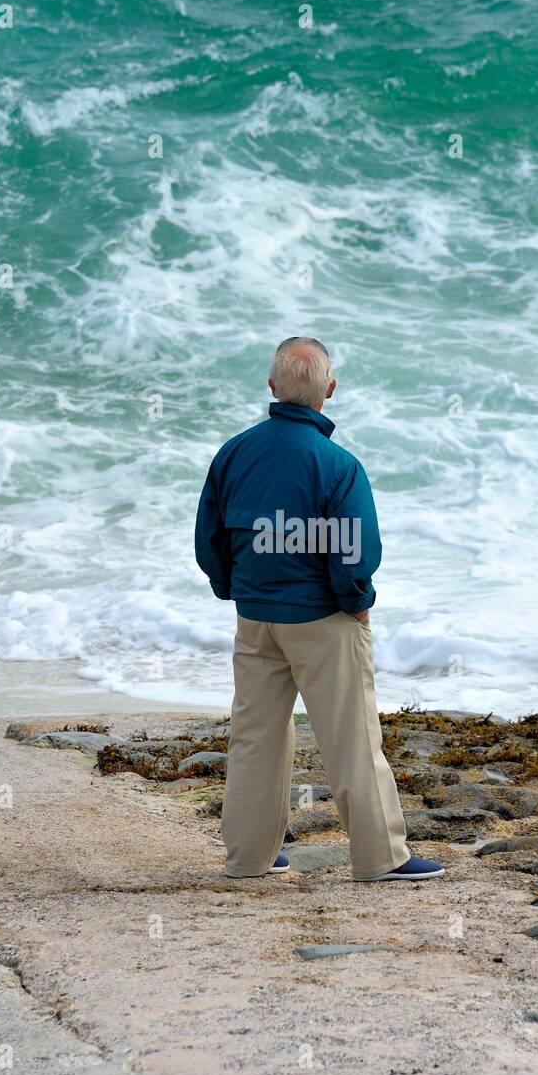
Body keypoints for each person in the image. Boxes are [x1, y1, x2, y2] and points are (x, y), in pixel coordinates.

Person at [194, 337, 444, 882]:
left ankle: (249, 857)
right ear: (329, 391)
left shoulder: (233, 453)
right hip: (323, 618)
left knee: (255, 734)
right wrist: (355, 603)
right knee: (351, 736)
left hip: (257, 616)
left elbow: (208, 537)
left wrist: (232, 588)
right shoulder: (337, 465)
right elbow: (353, 553)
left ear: (271, 388)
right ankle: (382, 858)